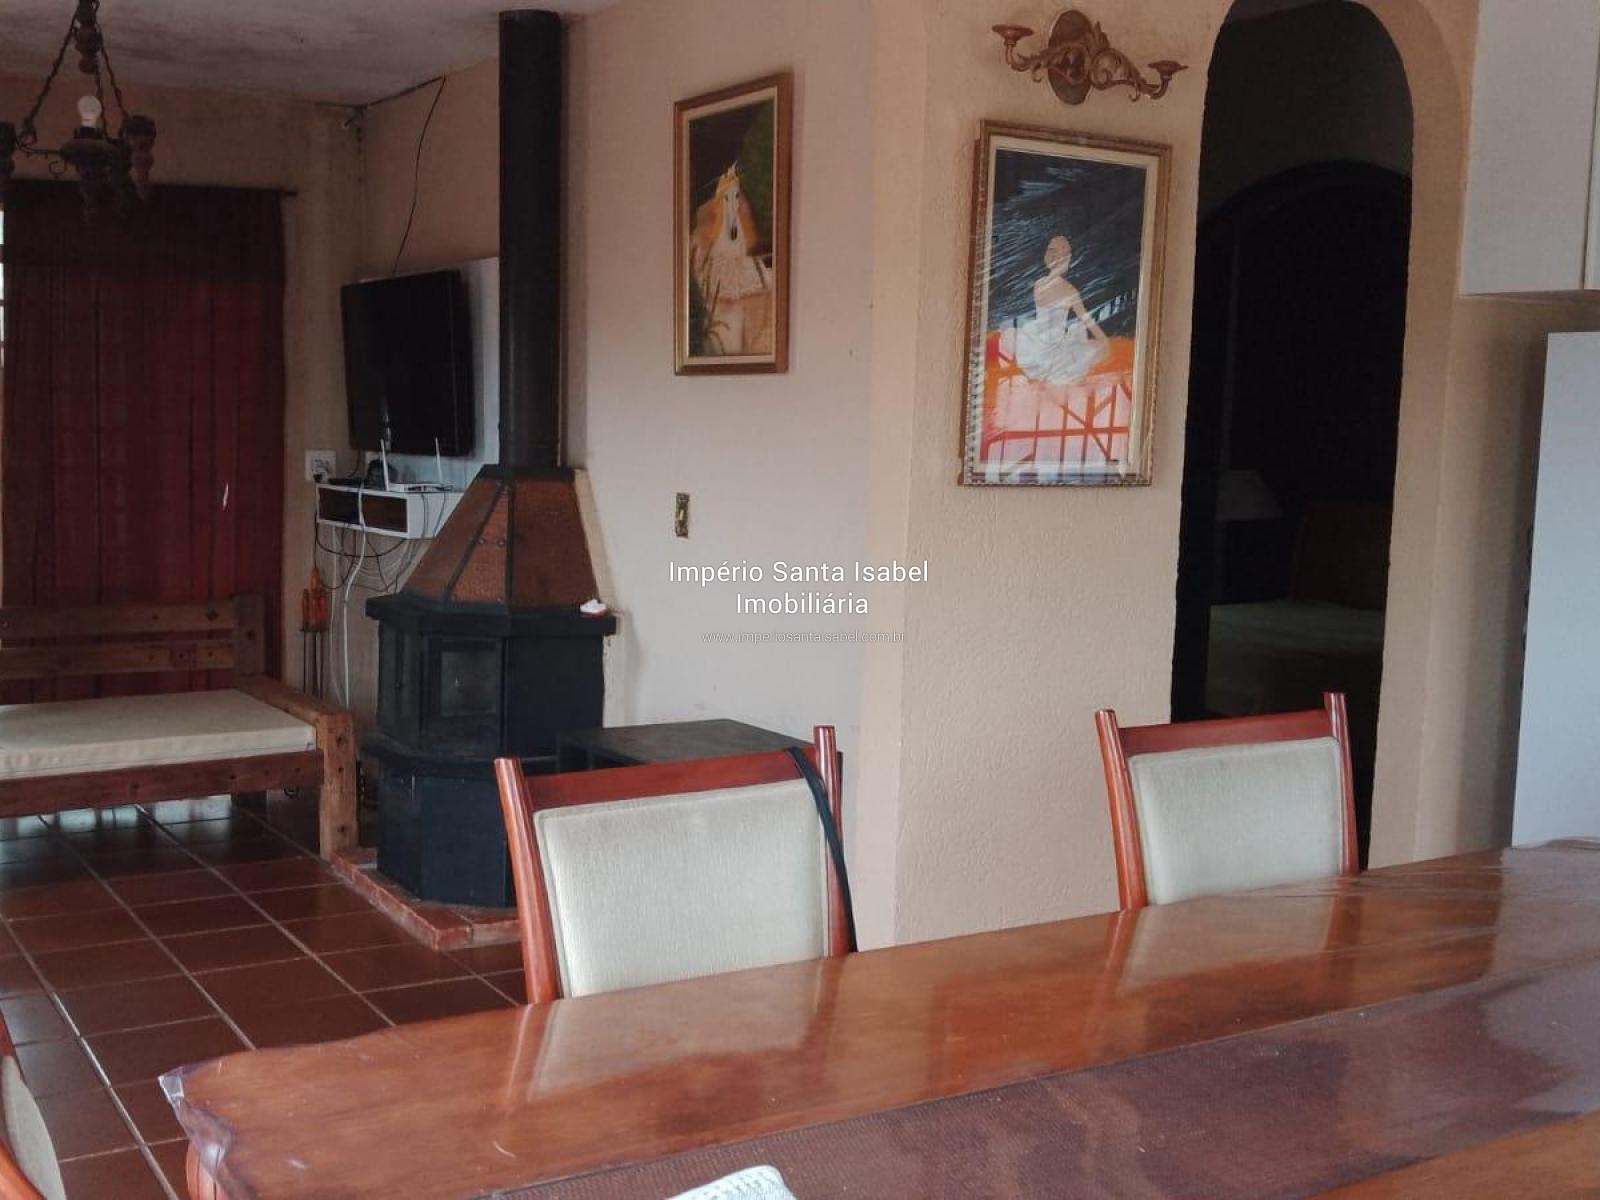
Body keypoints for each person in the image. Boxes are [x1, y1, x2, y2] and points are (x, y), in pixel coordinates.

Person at [1013, 234, 1110, 385]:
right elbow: (1087, 320)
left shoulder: (1039, 284)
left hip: (1037, 347)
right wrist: (1104, 341)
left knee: (1075, 335)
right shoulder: (1069, 290)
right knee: (1089, 345)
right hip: (1054, 352)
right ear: (1066, 259)